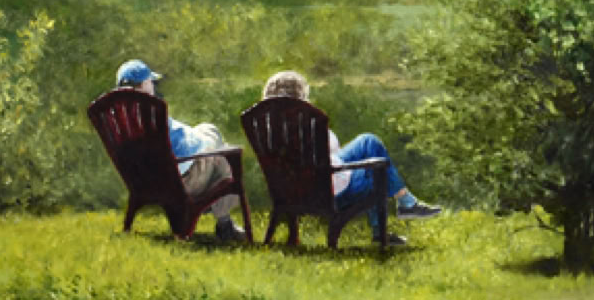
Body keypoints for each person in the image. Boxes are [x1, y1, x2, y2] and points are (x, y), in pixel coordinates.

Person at [261, 69, 441, 247]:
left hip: (292, 191)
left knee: (368, 142)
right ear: (301, 96)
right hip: (328, 191)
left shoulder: (265, 126)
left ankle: (406, 202)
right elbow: (331, 146)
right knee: (376, 168)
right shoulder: (309, 122)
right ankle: (393, 216)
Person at [115, 59, 248, 243]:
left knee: (208, 130)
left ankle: (222, 218)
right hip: (178, 183)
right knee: (224, 157)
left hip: (143, 181)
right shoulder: (152, 112)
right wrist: (208, 141)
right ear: (144, 85)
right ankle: (224, 223)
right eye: (150, 82)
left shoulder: (118, 117)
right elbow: (188, 149)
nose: (153, 85)